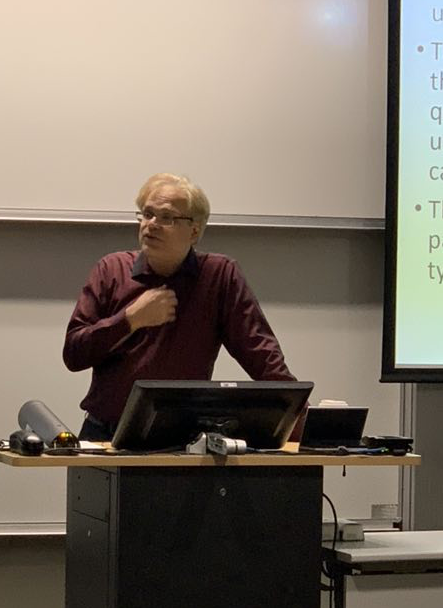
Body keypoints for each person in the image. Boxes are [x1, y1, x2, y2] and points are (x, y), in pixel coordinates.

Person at [63, 172, 301, 441]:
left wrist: (301, 421)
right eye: (147, 214)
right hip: (105, 436)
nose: (151, 224)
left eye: (167, 217)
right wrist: (129, 319)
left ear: (194, 231)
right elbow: (74, 354)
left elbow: (261, 355)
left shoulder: (219, 275)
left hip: (181, 441)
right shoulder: (112, 270)